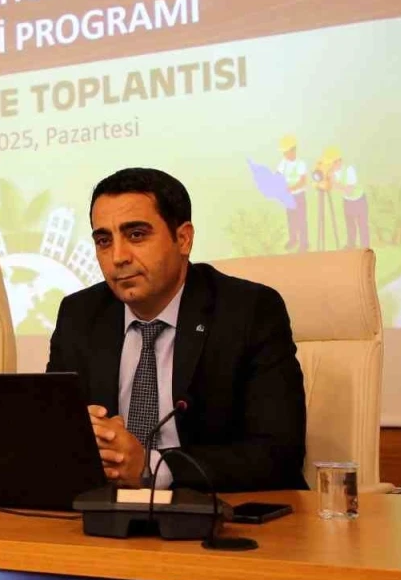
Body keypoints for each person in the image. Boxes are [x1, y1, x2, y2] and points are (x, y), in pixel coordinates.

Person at [47, 168, 307, 493]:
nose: (118, 257)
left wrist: (151, 466)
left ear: (183, 239)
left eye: (136, 235)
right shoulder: (80, 314)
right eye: (103, 241)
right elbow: (51, 434)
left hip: (216, 507)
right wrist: (79, 437)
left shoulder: (248, 311)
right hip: (106, 509)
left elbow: (278, 453)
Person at [323, 147, 370, 249]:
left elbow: (349, 190)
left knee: (362, 226)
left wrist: (334, 183)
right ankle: (351, 245)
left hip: (359, 200)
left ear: (338, 161)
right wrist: (329, 181)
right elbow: (332, 187)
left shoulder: (349, 170)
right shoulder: (332, 173)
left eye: (332, 163)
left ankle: (365, 248)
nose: (330, 166)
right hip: (348, 201)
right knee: (350, 225)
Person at [277, 135, 309, 252]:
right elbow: (278, 175)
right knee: (291, 220)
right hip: (288, 197)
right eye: (284, 152)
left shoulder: (300, 164)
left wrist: (291, 188)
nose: (285, 155)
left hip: (299, 196)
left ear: (293, 150)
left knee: (301, 220)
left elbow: (303, 181)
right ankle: (293, 240)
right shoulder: (283, 163)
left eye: (287, 152)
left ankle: (304, 243)